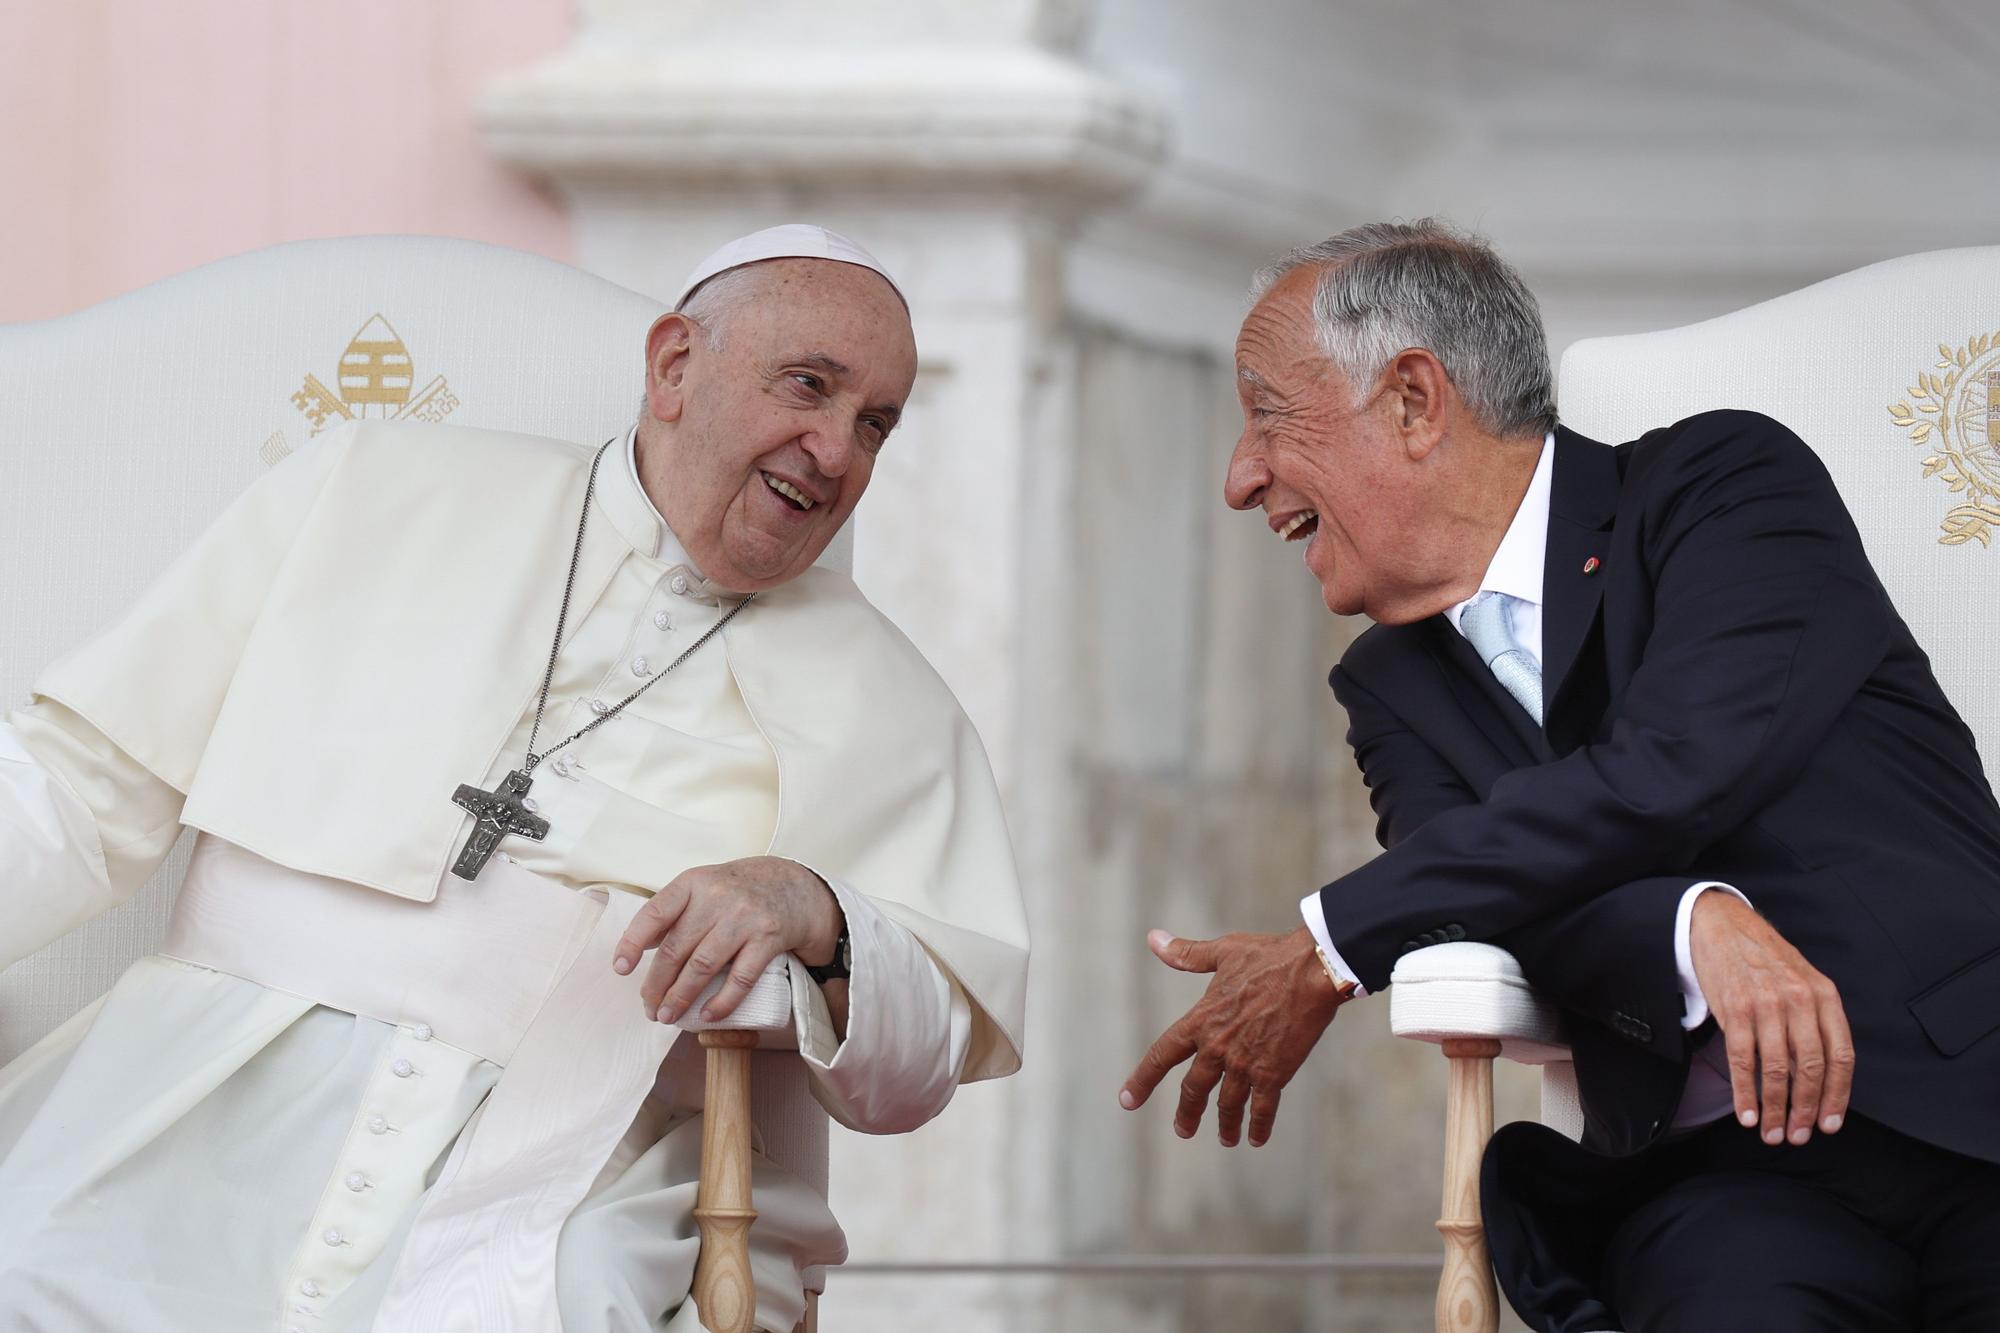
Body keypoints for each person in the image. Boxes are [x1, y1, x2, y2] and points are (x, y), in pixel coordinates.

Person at [0, 224, 1029, 1332]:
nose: (833, 450)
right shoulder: (372, 488)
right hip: (201, 1095)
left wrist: (816, 912)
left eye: (872, 423)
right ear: (674, 366)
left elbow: (913, 1066)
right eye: (807, 387)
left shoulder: (890, 697)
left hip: (583, 1157)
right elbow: (81, 783)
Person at [1119, 218, 2000, 1331]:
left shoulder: (1720, 485)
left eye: (1265, 417)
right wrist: (1694, 923)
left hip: (1970, 1102)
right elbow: (1490, 906)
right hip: (1726, 1183)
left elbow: (1677, 764)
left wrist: (1325, 946)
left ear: (1410, 400)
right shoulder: (1388, 688)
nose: (1242, 478)